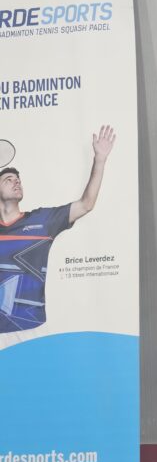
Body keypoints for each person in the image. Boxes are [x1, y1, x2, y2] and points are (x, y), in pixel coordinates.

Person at [0, 125, 116, 334]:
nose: (16, 183)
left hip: (30, 331)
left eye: (18, 180)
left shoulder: (44, 220)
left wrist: (100, 160)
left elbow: (86, 204)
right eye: (9, 180)